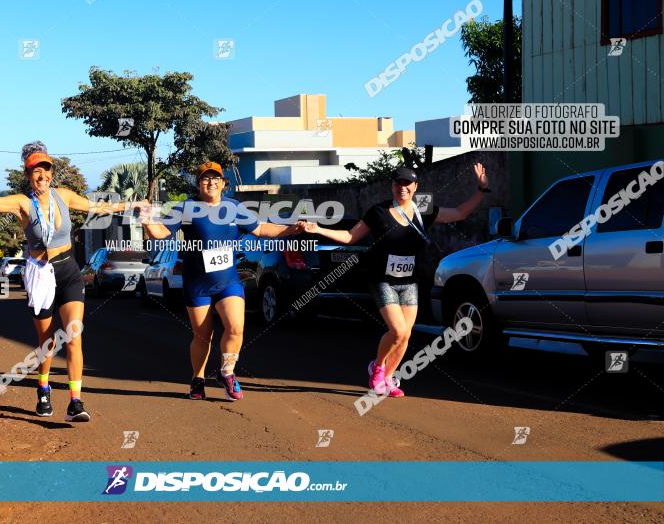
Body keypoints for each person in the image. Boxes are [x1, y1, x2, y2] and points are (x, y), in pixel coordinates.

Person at [0, 141, 138, 422]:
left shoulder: (64, 195)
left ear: (52, 172)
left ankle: (75, 401)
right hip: (40, 275)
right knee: (47, 342)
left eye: (46, 169)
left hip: (69, 272)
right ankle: (43, 388)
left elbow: (96, 206)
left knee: (73, 336)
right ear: (28, 175)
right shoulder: (22, 203)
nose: (42, 175)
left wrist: (131, 204)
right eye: (36, 171)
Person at [301, 164, 490, 397]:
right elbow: (350, 236)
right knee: (398, 331)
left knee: (406, 335)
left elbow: (460, 212)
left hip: (409, 282)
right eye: (398, 183)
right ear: (392, 186)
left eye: (407, 183)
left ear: (415, 187)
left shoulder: (423, 209)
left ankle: (389, 376)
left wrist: (482, 189)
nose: (402, 187)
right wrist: (319, 229)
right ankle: (377, 368)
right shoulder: (378, 212)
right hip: (383, 280)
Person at [140, 162, 302, 401]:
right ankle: (197, 379)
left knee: (236, 328)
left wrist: (292, 229)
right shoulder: (187, 207)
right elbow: (161, 232)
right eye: (205, 178)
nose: (211, 182)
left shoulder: (234, 207)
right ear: (198, 183)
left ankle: (227, 372)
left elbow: (261, 229)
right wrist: (146, 219)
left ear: (224, 183)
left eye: (216, 178)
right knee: (203, 336)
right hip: (197, 283)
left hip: (228, 280)